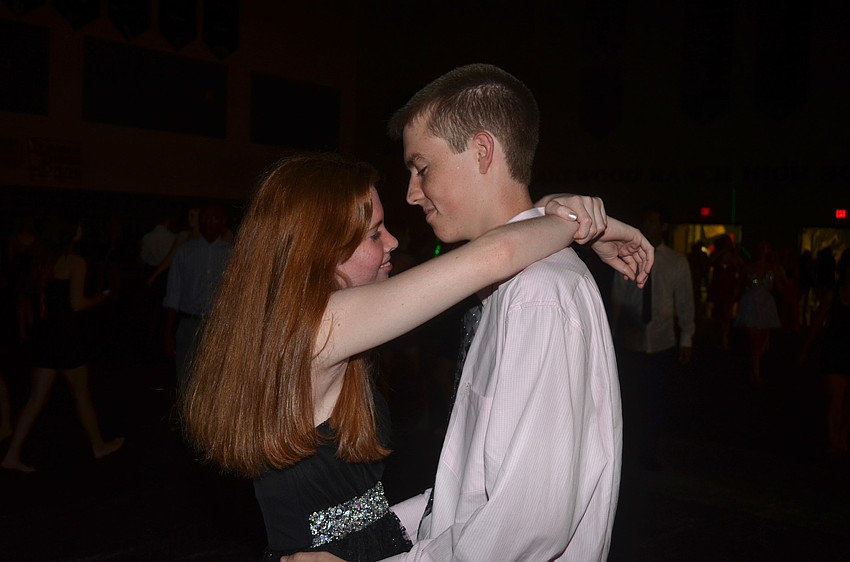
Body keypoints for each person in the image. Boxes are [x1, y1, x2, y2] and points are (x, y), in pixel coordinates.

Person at [181, 153, 652, 561]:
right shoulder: (322, 326)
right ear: (319, 250)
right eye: (373, 234)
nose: (392, 242)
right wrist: (584, 222)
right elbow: (494, 255)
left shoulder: (285, 327)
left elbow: (360, 511)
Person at [283, 64, 654, 562]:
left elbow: (523, 527)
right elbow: (473, 495)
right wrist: (563, 216)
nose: (412, 193)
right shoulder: (506, 286)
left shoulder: (536, 293)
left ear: (482, 151)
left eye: (422, 167)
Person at [1, 215, 123, 472]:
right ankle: (99, 445)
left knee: (36, 398)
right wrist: (101, 298)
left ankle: (11, 454)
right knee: (80, 393)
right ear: (68, 232)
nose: (81, 228)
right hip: (65, 337)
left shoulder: (43, 261)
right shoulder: (75, 262)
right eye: (77, 225)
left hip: (46, 336)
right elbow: (77, 304)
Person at [610, 207, 695, 470]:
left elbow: (684, 301)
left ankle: (651, 450)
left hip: (662, 342)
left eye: (653, 221)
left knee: (657, 400)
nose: (649, 226)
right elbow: (617, 299)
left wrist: (687, 338)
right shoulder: (629, 256)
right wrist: (610, 335)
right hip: (632, 341)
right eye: (645, 220)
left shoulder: (676, 262)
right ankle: (633, 451)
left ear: (663, 226)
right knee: (632, 399)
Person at [162, 203, 231, 385]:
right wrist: (168, 334)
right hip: (188, 324)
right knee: (186, 379)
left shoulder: (232, 254)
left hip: (218, 327)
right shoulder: (185, 252)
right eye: (205, 217)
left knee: (215, 382)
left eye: (214, 217)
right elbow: (173, 294)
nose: (209, 222)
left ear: (223, 221)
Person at [801, 249, 850, 455]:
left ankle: (841, 437)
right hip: (836, 349)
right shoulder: (833, 294)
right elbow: (818, 322)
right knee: (835, 400)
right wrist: (806, 347)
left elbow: (818, 322)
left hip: (838, 348)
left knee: (844, 402)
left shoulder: (833, 294)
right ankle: (834, 439)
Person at [735, 240, 785, 387]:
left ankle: (754, 370)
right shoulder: (748, 267)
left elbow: (781, 288)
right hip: (751, 304)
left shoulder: (773, 268)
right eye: (761, 247)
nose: (763, 250)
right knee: (755, 341)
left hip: (765, 305)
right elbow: (739, 285)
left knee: (760, 341)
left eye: (766, 247)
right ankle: (755, 373)